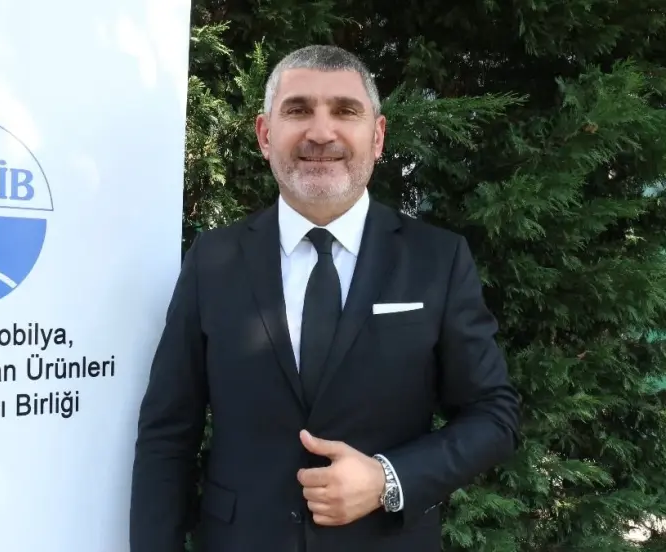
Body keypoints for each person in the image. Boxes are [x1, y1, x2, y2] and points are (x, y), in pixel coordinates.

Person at [129, 44, 521, 552]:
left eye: (345, 111)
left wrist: (387, 479)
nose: (320, 132)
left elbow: (494, 415)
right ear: (265, 134)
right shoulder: (212, 259)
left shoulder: (437, 260)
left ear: (377, 137)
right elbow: (167, 434)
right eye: (298, 110)